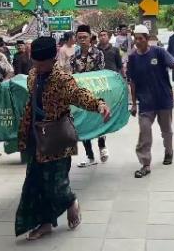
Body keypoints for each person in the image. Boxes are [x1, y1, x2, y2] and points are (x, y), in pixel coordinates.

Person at [15, 36, 111, 240]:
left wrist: (99, 105)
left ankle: (70, 202)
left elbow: (79, 94)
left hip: (56, 138)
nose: (38, 67)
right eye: (36, 63)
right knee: (37, 183)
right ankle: (45, 223)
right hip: (35, 137)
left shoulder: (62, 79)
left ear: (53, 59)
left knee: (56, 184)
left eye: (42, 63)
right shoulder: (32, 75)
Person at [127, 24, 174, 178]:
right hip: (145, 102)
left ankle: (169, 151)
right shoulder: (132, 58)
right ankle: (145, 164)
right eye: (135, 38)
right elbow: (132, 82)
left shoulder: (158, 52)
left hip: (163, 99)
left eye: (140, 38)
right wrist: (133, 104)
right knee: (144, 132)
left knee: (166, 131)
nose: (137, 41)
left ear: (147, 39)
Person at [69, 24, 108, 167]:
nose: (82, 40)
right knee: (83, 124)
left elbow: (101, 73)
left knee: (98, 120)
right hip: (81, 96)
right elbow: (73, 77)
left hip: (97, 93)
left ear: (90, 38)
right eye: (79, 38)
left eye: (85, 37)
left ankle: (102, 146)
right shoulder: (74, 58)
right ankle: (89, 156)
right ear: (76, 39)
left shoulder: (98, 54)